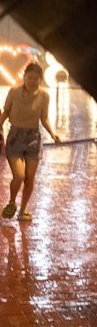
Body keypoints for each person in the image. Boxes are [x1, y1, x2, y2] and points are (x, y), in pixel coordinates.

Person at [0, 63, 61, 222]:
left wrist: (53, 134)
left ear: (40, 80)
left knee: (29, 178)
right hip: (15, 137)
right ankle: (12, 203)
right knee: (19, 175)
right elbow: (5, 112)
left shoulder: (44, 96)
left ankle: (23, 210)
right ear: (24, 77)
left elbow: (44, 118)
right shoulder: (13, 92)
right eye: (30, 77)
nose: (32, 81)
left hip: (34, 139)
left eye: (36, 79)